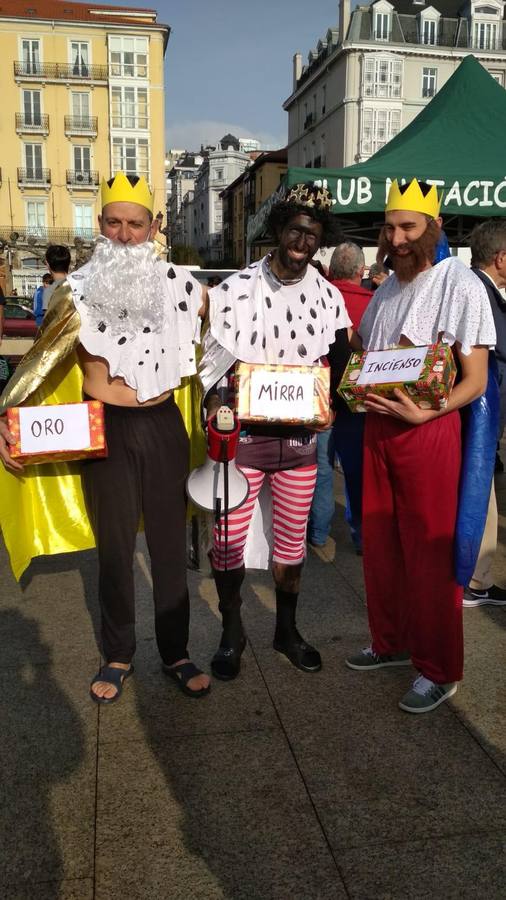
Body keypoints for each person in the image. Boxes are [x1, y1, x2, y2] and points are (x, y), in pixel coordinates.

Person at [0, 172, 210, 703]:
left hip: (163, 426)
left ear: (154, 226)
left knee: (167, 548)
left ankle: (176, 652)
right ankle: (118, 654)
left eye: (135, 224)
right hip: (104, 427)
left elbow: (233, 338)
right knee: (114, 550)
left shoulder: (185, 288)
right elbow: (40, 366)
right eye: (114, 223)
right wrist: (10, 420)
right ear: (99, 226)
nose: (124, 235)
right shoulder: (72, 292)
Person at [345, 178, 496, 713]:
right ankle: (391, 643)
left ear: (433, 228)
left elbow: (475, 379)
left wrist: (428, 410)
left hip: (428, 429)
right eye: (390, 227)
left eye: (408, 226)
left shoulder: (461, 283)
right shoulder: (387, 287)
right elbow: (366, 345)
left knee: (429, 553)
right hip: (378, 428)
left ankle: (439, 669)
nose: (397, 237)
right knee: (382, 546)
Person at [199, 183, 352, 680]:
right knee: (227, 541)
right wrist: (217, 406)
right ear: (279, 228)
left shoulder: (329, 298)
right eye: (294, 229)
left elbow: (343, 367)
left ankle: (286, 631)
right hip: (243, 443)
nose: (301, 241)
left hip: (301, 444)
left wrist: (335, 406)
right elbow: (211, 370)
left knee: (291, 545)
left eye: (311, 234)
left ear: (319, 239)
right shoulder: (237, 290)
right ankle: (231, 633)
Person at [308, 242, 373, 550]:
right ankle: (361, 536)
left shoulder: (316, 300)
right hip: (361, 404)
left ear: (331, 270)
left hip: (321, 399)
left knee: (320, 469)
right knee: (357, 472)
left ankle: (318, 533)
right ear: (362, 272)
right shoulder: (375, 304)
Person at [463, 219, 506, 608]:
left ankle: (476, 578)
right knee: (481, 498)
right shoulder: (481, 293)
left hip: (480, 416)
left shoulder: (477, 287)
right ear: (502, 258)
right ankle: (475, 581)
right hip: (479, 417)